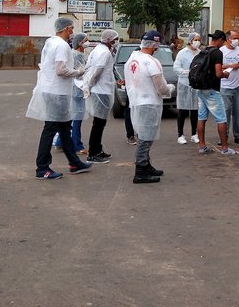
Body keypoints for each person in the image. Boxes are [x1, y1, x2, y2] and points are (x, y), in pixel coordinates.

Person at [25, 17, 93, 180]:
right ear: (66, 29)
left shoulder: (50, 42)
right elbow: (61, 70)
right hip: (57, 92)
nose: (72, 32)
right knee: (50, 129)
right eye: (71, 29)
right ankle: (42, 168)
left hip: (53, 90)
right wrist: (79, 72)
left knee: (64, 127)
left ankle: (74, 162)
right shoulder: (62, 45)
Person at [123, 30, 172, 184]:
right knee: (145, 138)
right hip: (149, 103)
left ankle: (146, 165)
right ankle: (140, 171)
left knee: (143, 135)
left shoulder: (132, 58)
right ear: (155, 45)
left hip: (136, 102)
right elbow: (161, 88)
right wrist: (169, 89)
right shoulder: (151, 62)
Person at [76, 28, 121, 164]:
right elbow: (96, 72)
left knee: (99, 123)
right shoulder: (104, 52)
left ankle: (97, 149)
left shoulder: (98, 50)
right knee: (98, 124)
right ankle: (94, 153)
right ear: (109, 40)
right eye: (115, 39)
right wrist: (89, 85)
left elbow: (90, 67)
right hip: (101, 91)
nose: (117, 42)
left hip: (100, 89)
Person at [195, 30, 239, 156]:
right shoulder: (217, 53)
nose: (222, 43)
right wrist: (226, 74)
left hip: (201, 89)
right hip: (212, 90)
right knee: (221, 119)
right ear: (219, 40)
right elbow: (218, 73)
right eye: (223, 41)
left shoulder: (204, 51)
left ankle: (202, 146)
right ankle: (225, 148)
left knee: (201, 118)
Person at [173, 31, 202, 144]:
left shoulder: (200, 53)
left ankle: (194, 134)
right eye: (195, 40)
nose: (197, 42)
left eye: (199, 40)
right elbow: (176, 68)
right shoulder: (182, 53)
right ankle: (180, 134)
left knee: (195, 110)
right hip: (184, 84)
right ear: (190, 41)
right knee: (182, 110)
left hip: (196, 85)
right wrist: (189, 73)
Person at [220, 30, 239, 146]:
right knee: (225, 113)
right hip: (225, 86)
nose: (237, 40)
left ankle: (238, 135)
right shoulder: (221, 51)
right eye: (234, 38)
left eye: (238, 38)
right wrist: (231, 65)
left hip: (238, 87)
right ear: (228, 39)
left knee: (238, 112)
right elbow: (218, 67)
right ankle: (223, 137)